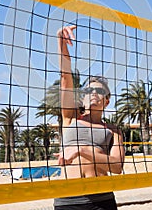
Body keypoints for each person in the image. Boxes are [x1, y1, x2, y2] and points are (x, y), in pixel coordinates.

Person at [54, 25, 125, 210]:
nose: (93, 93)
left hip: (102, 200)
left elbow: (117, 167)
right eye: (89, 90)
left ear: (107, 101)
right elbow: (65, 77)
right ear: (82, 97)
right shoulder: (69, 118)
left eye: (99, 91)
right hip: (68, 200)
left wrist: (81, 150)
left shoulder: (114, 131)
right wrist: (61, 43)